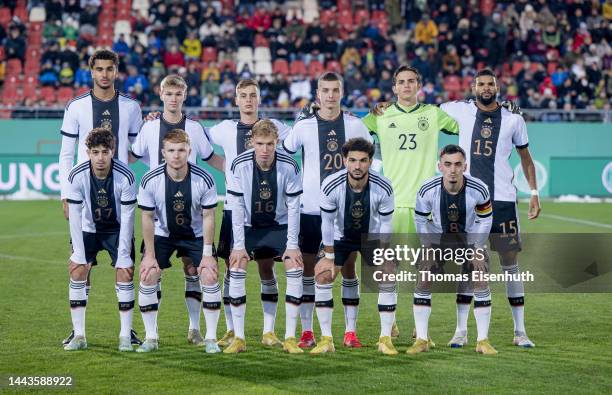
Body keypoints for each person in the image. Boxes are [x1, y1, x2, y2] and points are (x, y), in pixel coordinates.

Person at [440, 68, 540, 348]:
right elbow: (424, 112)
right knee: (469, 265)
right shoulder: (458, 111)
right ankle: (461, 330)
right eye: (481, 84)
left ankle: (520, 331)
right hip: (468, 200)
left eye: (490, 84)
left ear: (497, 87)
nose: (486, 88)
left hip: (504, 201)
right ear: (473, 88)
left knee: (510, 264)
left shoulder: (513, 119)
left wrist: (534, 192)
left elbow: (526, 158)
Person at [362, 65, 460, 339]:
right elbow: (351, 129)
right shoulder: (380, 116)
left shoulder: (434, 113)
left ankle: (421, 327)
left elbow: (467, 125)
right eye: (401, 82)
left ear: (419, 85)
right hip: (391, 206)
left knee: (425, 268)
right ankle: (390, 323)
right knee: (388, 268)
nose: (406, 86)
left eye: (411, 81)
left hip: (425, 206)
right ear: (394, 87)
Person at [131, 74, 224, 346]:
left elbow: (211, 158)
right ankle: (152, 335)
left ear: (185, 95)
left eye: (178, 94)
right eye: (168, 94)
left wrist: (239, 172)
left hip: (192, 218)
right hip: (159, 219)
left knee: (193, 270)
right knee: (150, 272)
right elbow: (132, 156)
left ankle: (196, 329)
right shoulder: (149, 127)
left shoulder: (194, 128)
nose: (173, 99)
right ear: (161, 94)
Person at [59, 49, 143, 347]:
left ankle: (127, 331)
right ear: (91, 72)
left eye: (110, 69)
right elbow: (67, 153)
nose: (104, 74)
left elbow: (138, 149)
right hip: (84, 197)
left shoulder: (132, 107)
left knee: (125, 265)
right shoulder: (77, 106)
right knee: (81, 264)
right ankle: (79, 331)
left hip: (119, 196)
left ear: (116, 71)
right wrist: (65, 194)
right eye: (99, 69)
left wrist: (154, 124)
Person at [283, 71, 373, 348]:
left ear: (341, 93)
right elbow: (286, 152)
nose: (330, 95)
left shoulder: (355, 125)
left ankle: (350, 331)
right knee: (310, 271)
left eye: (335, 90)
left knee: (348, 269)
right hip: (311, 209)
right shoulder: (304, 125)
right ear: (317, 94)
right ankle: (308, 332)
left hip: (346, 212)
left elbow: (369, 159)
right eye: (325, 90)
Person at [206, 78, 291, 348]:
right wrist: (232, 173)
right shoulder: (223, 129)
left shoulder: (275, 128)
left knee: (267, 268)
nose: (248, 100)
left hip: (268, 212)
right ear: (236, 100)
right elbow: (203, 149)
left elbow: (298, 138)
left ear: (259, 99)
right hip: (235, 209)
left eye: (252, 95)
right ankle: (232, 330)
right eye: (243, 95)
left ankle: (269, 331)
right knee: (233, 269)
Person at [225, 119, 303, 354]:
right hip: (249, 226)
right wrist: (238, 246)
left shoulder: (289, 165)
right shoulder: (239, 165)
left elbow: (294, 207)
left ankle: (286, 336)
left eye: (270, 144)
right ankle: (239, 338)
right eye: (260, 143)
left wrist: (292, 246)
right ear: (252, 142)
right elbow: (237, 208)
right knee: (237, 265)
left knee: (294, 266)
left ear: (277, 142)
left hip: (279, 225)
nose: (265, 149)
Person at [313, 138, 397, 355]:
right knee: (323, 274)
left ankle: (385, 339)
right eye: (352, 160)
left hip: (371, 236)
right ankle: (326, 339)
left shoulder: (383, 186)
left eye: (362, 160)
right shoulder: (331, 184)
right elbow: (327, 223)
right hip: (340, 237)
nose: (357, 166)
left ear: (370, 162)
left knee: (388, 274)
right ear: (344, 161)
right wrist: (329, 256)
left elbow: (386, 225)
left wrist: (385, 254)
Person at [411, 144, 496, 355]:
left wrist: (477, 248)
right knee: (424, 274)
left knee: (479, 275)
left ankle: (481, 340)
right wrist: (427, 247)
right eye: (447, 164)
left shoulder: (479, 189)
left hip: (468, 238)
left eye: (458, 164)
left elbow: (485, 221)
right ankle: (422, 339)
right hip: (438, 237)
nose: (453, 169)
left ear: (465, 166)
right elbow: (420, 220)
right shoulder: (427, 189)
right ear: (439, 166)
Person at [63, 128, 137, 351]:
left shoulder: (126, 176)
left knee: (125, 271)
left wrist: (124, 255)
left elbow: (128, 219)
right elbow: (74, 219)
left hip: (117, 230)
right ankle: (79, 335)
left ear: (112, 151)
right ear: (88, 153)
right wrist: (78, 254)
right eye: (95, 152)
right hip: (88, 229)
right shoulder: (76, 175)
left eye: (105, 152)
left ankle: (125, 336)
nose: (100, 158)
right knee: (77, 270)